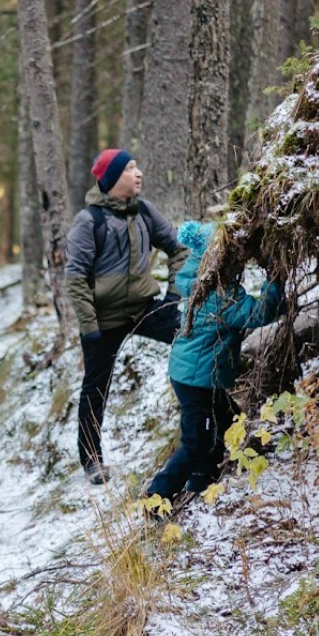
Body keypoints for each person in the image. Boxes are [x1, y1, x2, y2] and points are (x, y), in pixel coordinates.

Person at [65, 148, 188, 485]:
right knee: (96, 387)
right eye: (130, 168)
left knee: (191, 339)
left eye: (137, 166)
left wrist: (173, 296)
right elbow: (75, 278)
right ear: (112, 179)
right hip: (103, 320)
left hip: (144, 309)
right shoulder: (89, 220)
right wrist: (89, 326)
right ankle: (92, 461)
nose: (139, 173)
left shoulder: (144, 211)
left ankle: (203, 423)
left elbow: (178, 249)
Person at [145, 221, 284, 511]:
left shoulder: (202, 282)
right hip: (198, 380)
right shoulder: (220, 295)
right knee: (195, 441)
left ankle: (203, 477)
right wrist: (276, 280)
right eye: (234, 256)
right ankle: (156, 500)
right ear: (220, 259)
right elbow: (257, 313)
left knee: (229, 418)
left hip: (193, 374)